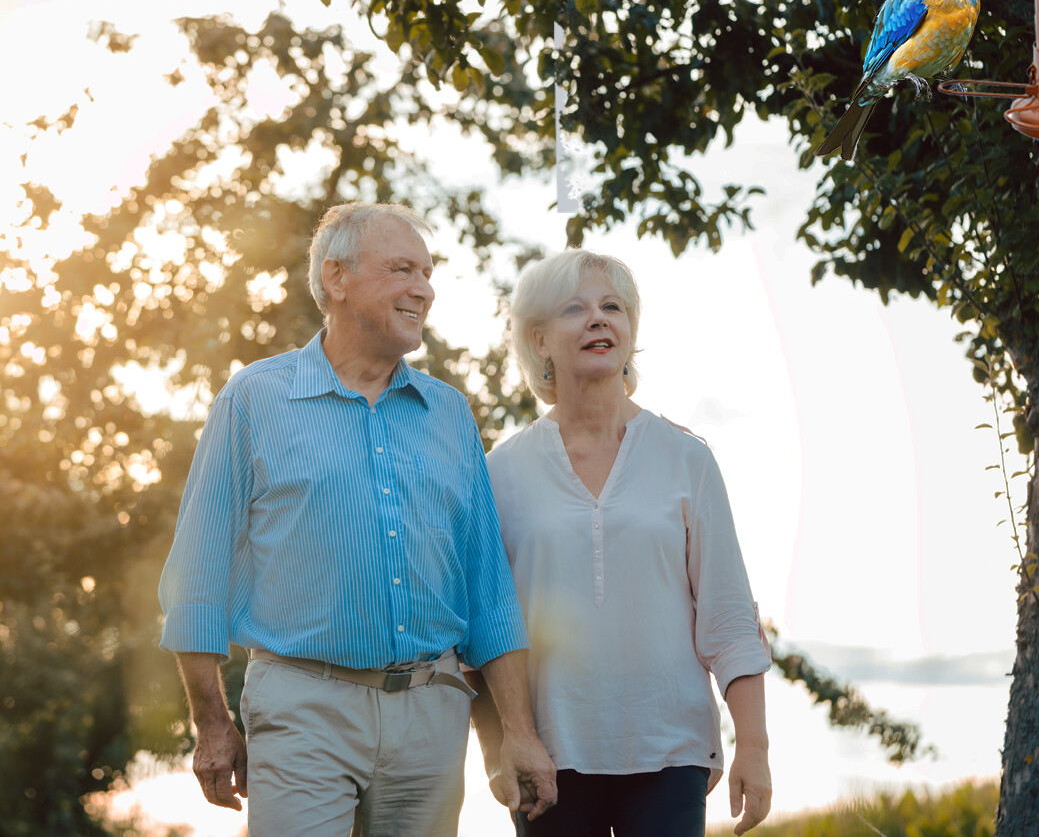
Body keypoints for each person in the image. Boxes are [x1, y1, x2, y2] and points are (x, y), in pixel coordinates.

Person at [157, 202, 558, 836]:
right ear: (335, 279)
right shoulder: (254, 400)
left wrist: (520, 734)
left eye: (427, 273)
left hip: (433, 712)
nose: (423, 289)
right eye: (402, 269)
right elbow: (198, 571)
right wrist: (210, 720)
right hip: (301, 704)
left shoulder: (449, 415)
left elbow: (488, 591)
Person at [472, 248, 773, 837]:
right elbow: (485, 625)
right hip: (549, 760)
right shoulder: (498, 472)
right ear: (539, 341)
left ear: (631, 332)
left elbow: (729, 616)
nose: (599, 319)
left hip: (672, 752)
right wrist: (499, 748)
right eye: (574, 309)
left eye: (613, 307)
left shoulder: (687, 458)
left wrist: (754, 749)